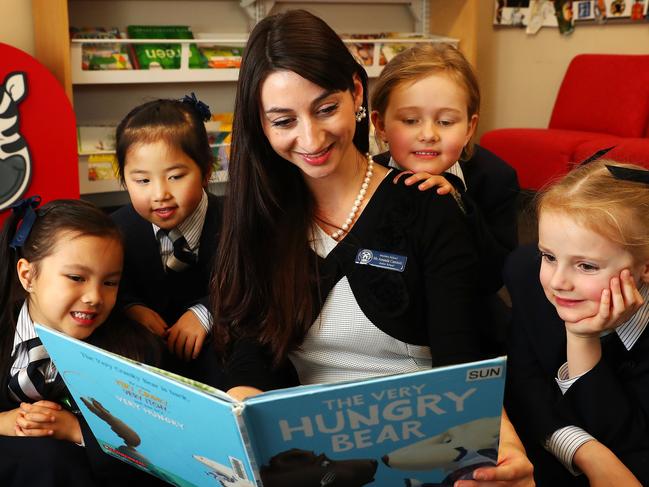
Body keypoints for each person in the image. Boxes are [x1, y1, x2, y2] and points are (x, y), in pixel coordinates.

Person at [211, 9, 533, 486]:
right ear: (260, 125)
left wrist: (501, 439)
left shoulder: (427, 203)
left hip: (421, 443)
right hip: (309, 456)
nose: (311, 139)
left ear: (357, 95)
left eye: (325, 109)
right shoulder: (261, 215)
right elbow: (250, 344)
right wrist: (237, 414)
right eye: (284, 121)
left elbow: (459, 356)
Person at [0, 197, 164, 487]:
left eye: (109, 282)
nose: (94, 297)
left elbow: (154, 452)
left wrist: (77, 431)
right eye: (76, 277)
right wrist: (7, 422)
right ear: (28, 275)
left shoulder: (134, 352)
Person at [505, 159, 649, 486]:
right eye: (549, 256)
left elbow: (632, 446)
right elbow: (524, 387)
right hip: (550, 452)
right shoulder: (528, 276)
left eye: (586, 266)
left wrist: (582, 337)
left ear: (645, 268)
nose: (558, 281)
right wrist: (583, 450)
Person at [370, 43, 520, 355]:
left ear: (469, 128)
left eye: (446, 121)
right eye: (411, 120)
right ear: (381, 125)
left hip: (472, 327)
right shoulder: (368, 178)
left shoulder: (495, 178)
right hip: (388, 330)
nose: (429, 134)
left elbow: (496, 274)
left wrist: (458, 202)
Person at [112, 95, 223, 378]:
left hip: (218, 345)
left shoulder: (236, 222)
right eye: (143, 181)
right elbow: (109, 284)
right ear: (124, 180)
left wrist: (206, 313)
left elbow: (254, 283)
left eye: (175, 176)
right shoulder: (115, 230)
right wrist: (131, 308)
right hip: (148, 357)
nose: (160, 194)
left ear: (206, 171)